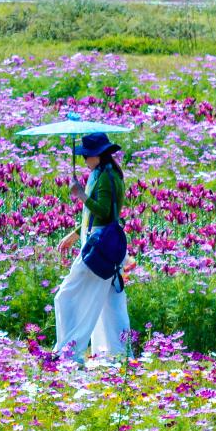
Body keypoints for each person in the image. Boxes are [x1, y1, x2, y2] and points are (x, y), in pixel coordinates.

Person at [53, 133, 131, 365]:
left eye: (87, 155)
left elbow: (104, 212)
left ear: (97, 155)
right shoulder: (107, 172)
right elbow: (99, 216)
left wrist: (81, 195)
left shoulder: (105, 176)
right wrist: (75, 234)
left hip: (98, 247)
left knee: (65, 296)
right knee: (110, 303)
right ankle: (117, 355)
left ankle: (68, 352)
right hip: (106, 243)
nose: (85, 159)